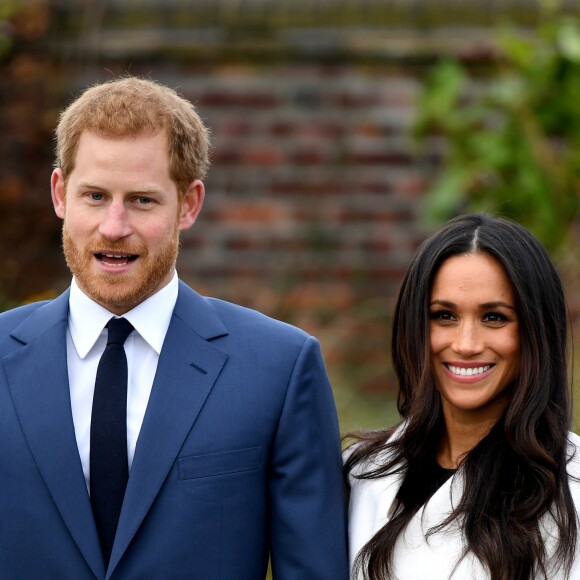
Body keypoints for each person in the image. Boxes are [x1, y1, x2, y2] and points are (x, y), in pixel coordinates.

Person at [0, 76, 349, 579]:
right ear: (60, 194)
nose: (114, 226)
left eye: (142, 200)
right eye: (95, 196)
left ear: (189, 204)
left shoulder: (279, 369)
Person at [345, 213, 580, 580]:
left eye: (494, 318)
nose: (466, 344)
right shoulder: (361, 475)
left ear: (536, 331)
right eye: (444, 316)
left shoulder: (574, 487)